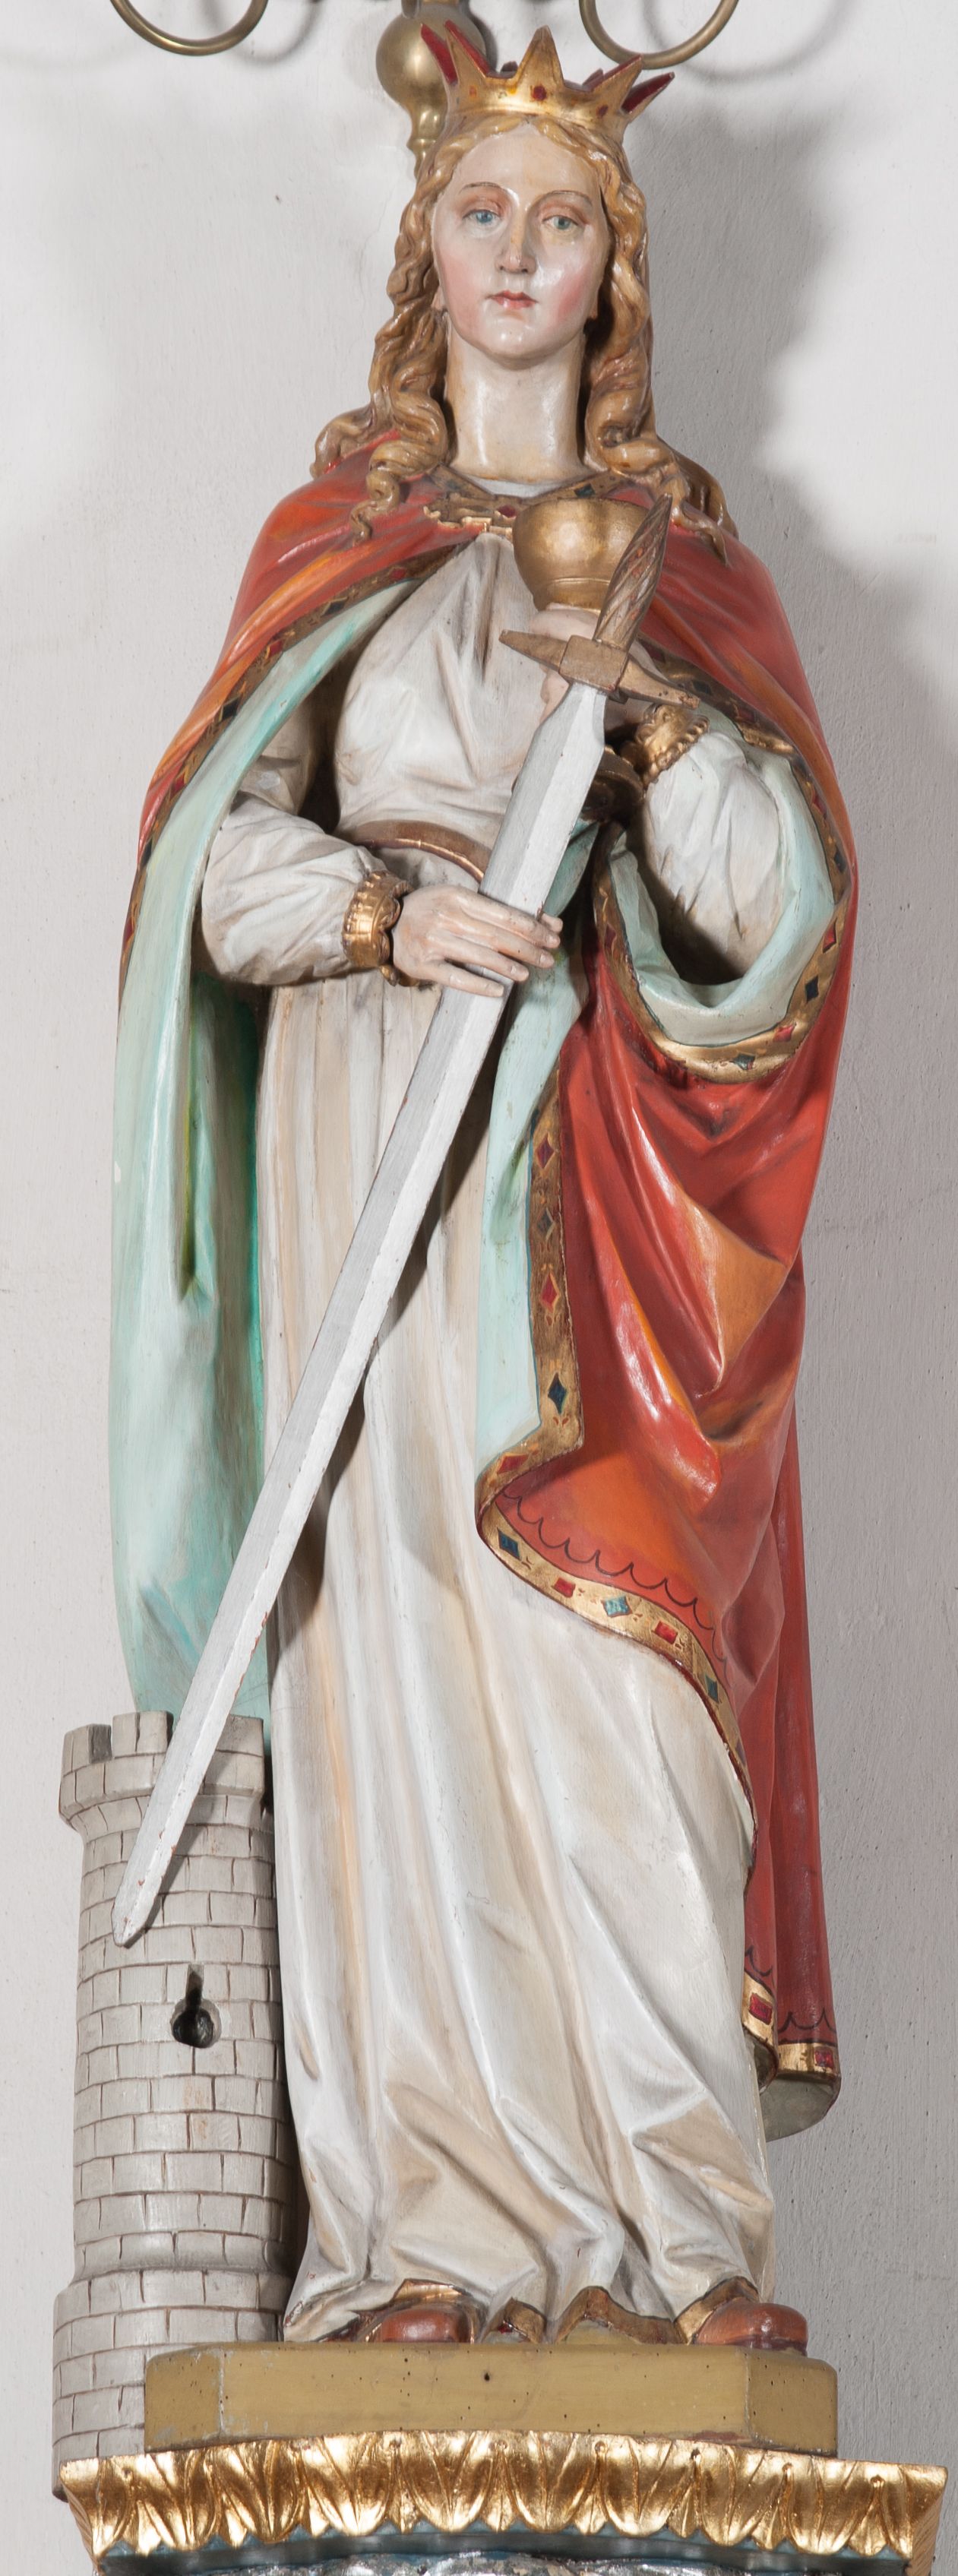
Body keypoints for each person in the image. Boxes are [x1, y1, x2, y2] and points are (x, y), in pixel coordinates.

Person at [111, 28, 855, 2353]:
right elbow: (210, 871)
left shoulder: (693, 577)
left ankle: (678, 2235)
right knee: (397, 1664)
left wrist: (659, 731)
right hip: (371, 1140)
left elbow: (782, 921)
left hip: (603, 1180)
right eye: (478, 216)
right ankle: (419, 2234)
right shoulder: (330, 553)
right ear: (420, 251)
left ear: (615, 275)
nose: (517, 257)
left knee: (608, 1673)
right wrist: (380, 908)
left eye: (561, 224)